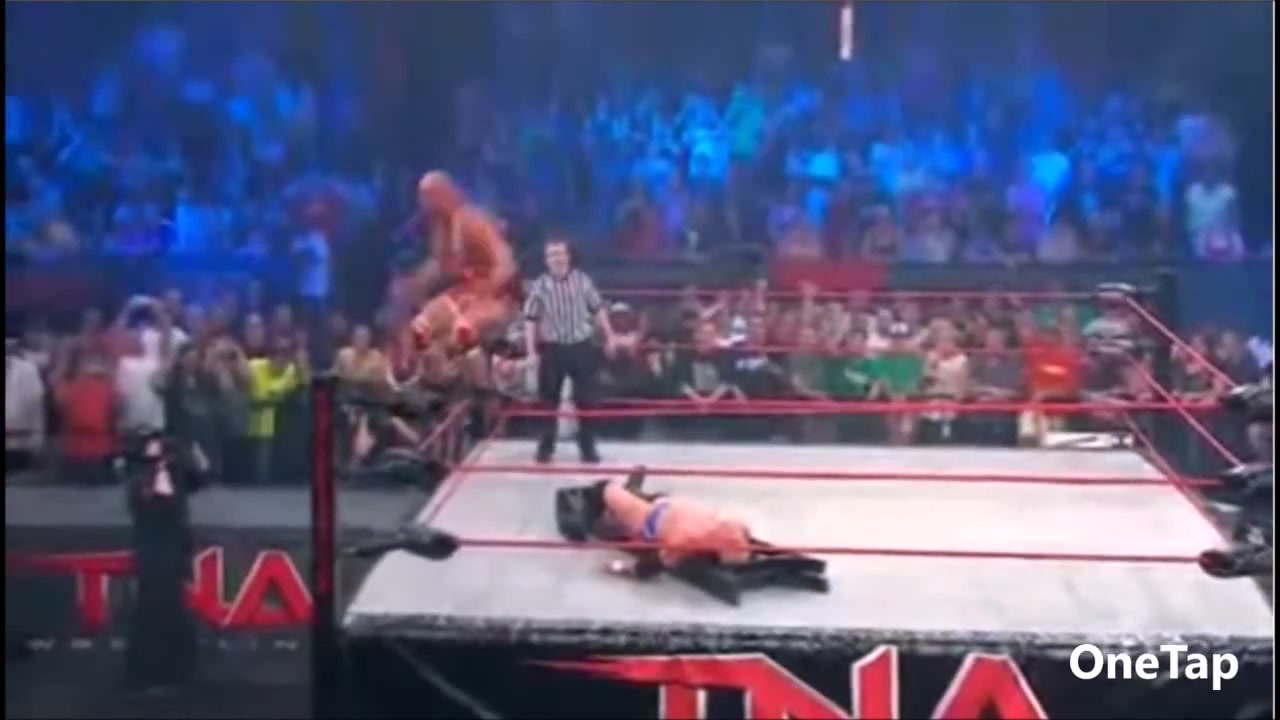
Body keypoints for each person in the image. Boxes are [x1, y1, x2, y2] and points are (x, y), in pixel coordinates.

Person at [396, 171, 519, 355]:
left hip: (493, 295)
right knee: (421, 326)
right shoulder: (440, 229)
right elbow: (442, 266)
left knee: (463, 330)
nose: (424, 203)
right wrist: (415, 284)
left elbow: (505, 262)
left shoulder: (473, 221)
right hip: (462, 291)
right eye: (422, 197)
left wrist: (491, 291)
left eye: (428, 196)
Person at [123, 431, 208, 691]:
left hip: (171, 554)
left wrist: (191, 452)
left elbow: (200, 477)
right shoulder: (140, 483)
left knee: (172, 612)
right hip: (154, 555)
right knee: (151, 614)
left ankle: (175, 670)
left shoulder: (175, 477)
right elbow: (152, 506)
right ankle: (148, 671)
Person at [523, 238, 619, 463]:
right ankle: (546, 448)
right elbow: (530, 319)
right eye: (551, 255)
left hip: (581, 345)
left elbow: (598, 309)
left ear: (568, 256)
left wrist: (610, 336)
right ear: (546, 260)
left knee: (587, 399)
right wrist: (531, 352)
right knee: (548, 400)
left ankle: (587, 448)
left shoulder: (582, 280)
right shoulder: (540, 285)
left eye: (559, 253)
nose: (555, 258)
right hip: (553, 348)